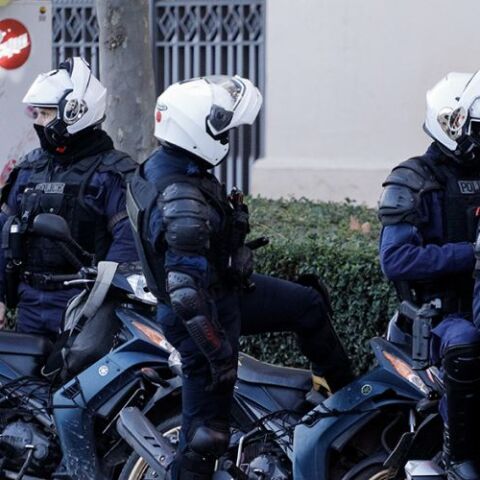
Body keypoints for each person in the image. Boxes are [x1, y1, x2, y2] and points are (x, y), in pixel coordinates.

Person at [127, 75, 353, 479]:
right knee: (205, 437)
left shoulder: (176, 166)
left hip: (221, 294)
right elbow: (185, 294)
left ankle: (347, 406)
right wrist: (218, 354)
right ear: (193, 129)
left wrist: (230, 255)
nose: (226, 137)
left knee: (307, 303)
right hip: (200, 320)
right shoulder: (179, 195)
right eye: (220, 130)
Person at [378, 72, 480, 479]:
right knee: (467, 344)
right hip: (439, 318)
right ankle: (457, 455)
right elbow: (396, 260)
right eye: (477, 129)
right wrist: (469, 254)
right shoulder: (412, 180)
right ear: (450, 123)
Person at [0, 57, 138, 338]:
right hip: (30, 307)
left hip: (87, 310)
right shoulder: (29, 169)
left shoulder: (112, 174)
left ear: (75, 113)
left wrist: (99, 305)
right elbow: (3, 232)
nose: (38, 121)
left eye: (45, 114)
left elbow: (127, 248)